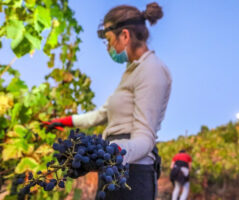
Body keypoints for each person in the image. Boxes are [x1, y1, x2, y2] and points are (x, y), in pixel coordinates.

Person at [43, 2, 172, 200]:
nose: (108, 47)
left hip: (132, 174)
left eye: (109, 40)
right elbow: (102, 114)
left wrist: (108, 154)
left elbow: (145, 140)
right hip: (114, 166)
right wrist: (66, 121)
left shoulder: (152, 70)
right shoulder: (131, 72)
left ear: (125, 36)